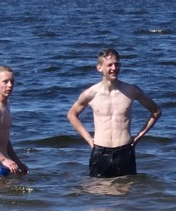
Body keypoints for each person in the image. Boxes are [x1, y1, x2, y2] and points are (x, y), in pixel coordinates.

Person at [67, 48, 161, 177]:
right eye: (110, 65)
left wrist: (138, 137)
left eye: (117, 64)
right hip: (100, 151)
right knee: (97, 188)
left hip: (125, 151)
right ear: (99, 68)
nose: (114, 68)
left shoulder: (131, 90)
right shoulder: (91, 93)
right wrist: (89, 139)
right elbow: (72, 114)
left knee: (126, 188)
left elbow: (156, 111)